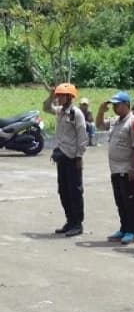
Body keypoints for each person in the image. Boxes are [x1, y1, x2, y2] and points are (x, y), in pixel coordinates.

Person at [95, 91, 134, 245]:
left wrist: (133, 168)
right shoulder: (116, 121)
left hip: (127, 168)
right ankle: (123, 228)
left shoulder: (133, 122)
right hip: (115, 168)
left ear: (126, 105)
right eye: (114, 105)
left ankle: (131, 231)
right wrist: (101, 112)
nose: (115, 108)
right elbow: (100, 126)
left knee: (129, 200)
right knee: (120, 200)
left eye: (118, 105)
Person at [44, 83, 89, 237]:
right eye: (58, 95)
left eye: (62, 95)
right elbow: (46, 108)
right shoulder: (60, 112)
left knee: (75, 191)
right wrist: (51, 96)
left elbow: (82, 136)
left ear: (69, 97)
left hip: (72, 157)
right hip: (62, 156)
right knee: (63, 190)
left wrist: (79, 156)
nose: (59, 98)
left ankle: (77, 223)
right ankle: (70, 220)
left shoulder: (75, 113)